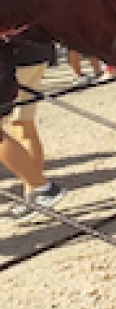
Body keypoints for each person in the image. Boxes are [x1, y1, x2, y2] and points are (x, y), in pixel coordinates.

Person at [0, 26, 66, 220]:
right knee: (24, 123)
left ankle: (40, 187)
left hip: (15, 57)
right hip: (37, 50)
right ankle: (35, 191)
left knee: (18, 126)